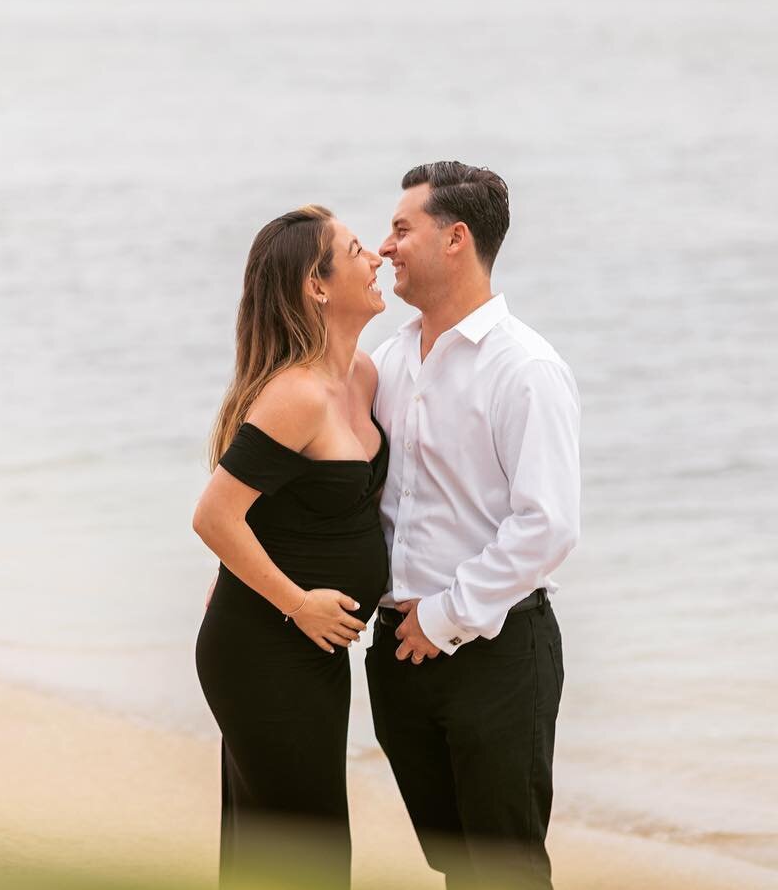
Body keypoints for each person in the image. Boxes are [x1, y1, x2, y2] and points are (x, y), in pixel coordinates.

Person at [366, 161, 581, 890]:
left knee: (505, 868)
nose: (386, 245)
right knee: (455, 862)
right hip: (397, 654)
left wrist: (447, 615)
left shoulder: (526, 368)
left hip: (496, 653)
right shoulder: (385, 362)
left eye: (402, 228)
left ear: (456, 238)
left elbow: (547, 524)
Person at [192, 205, 388, 889]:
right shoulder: (295, 395)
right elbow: (215, 517)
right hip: (264, 648)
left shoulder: (362, 375)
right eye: (358, 248)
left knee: (286, 849)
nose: (378, 258)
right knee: (308, 854)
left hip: (310, 652)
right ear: (318, 286)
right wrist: (299, 603)